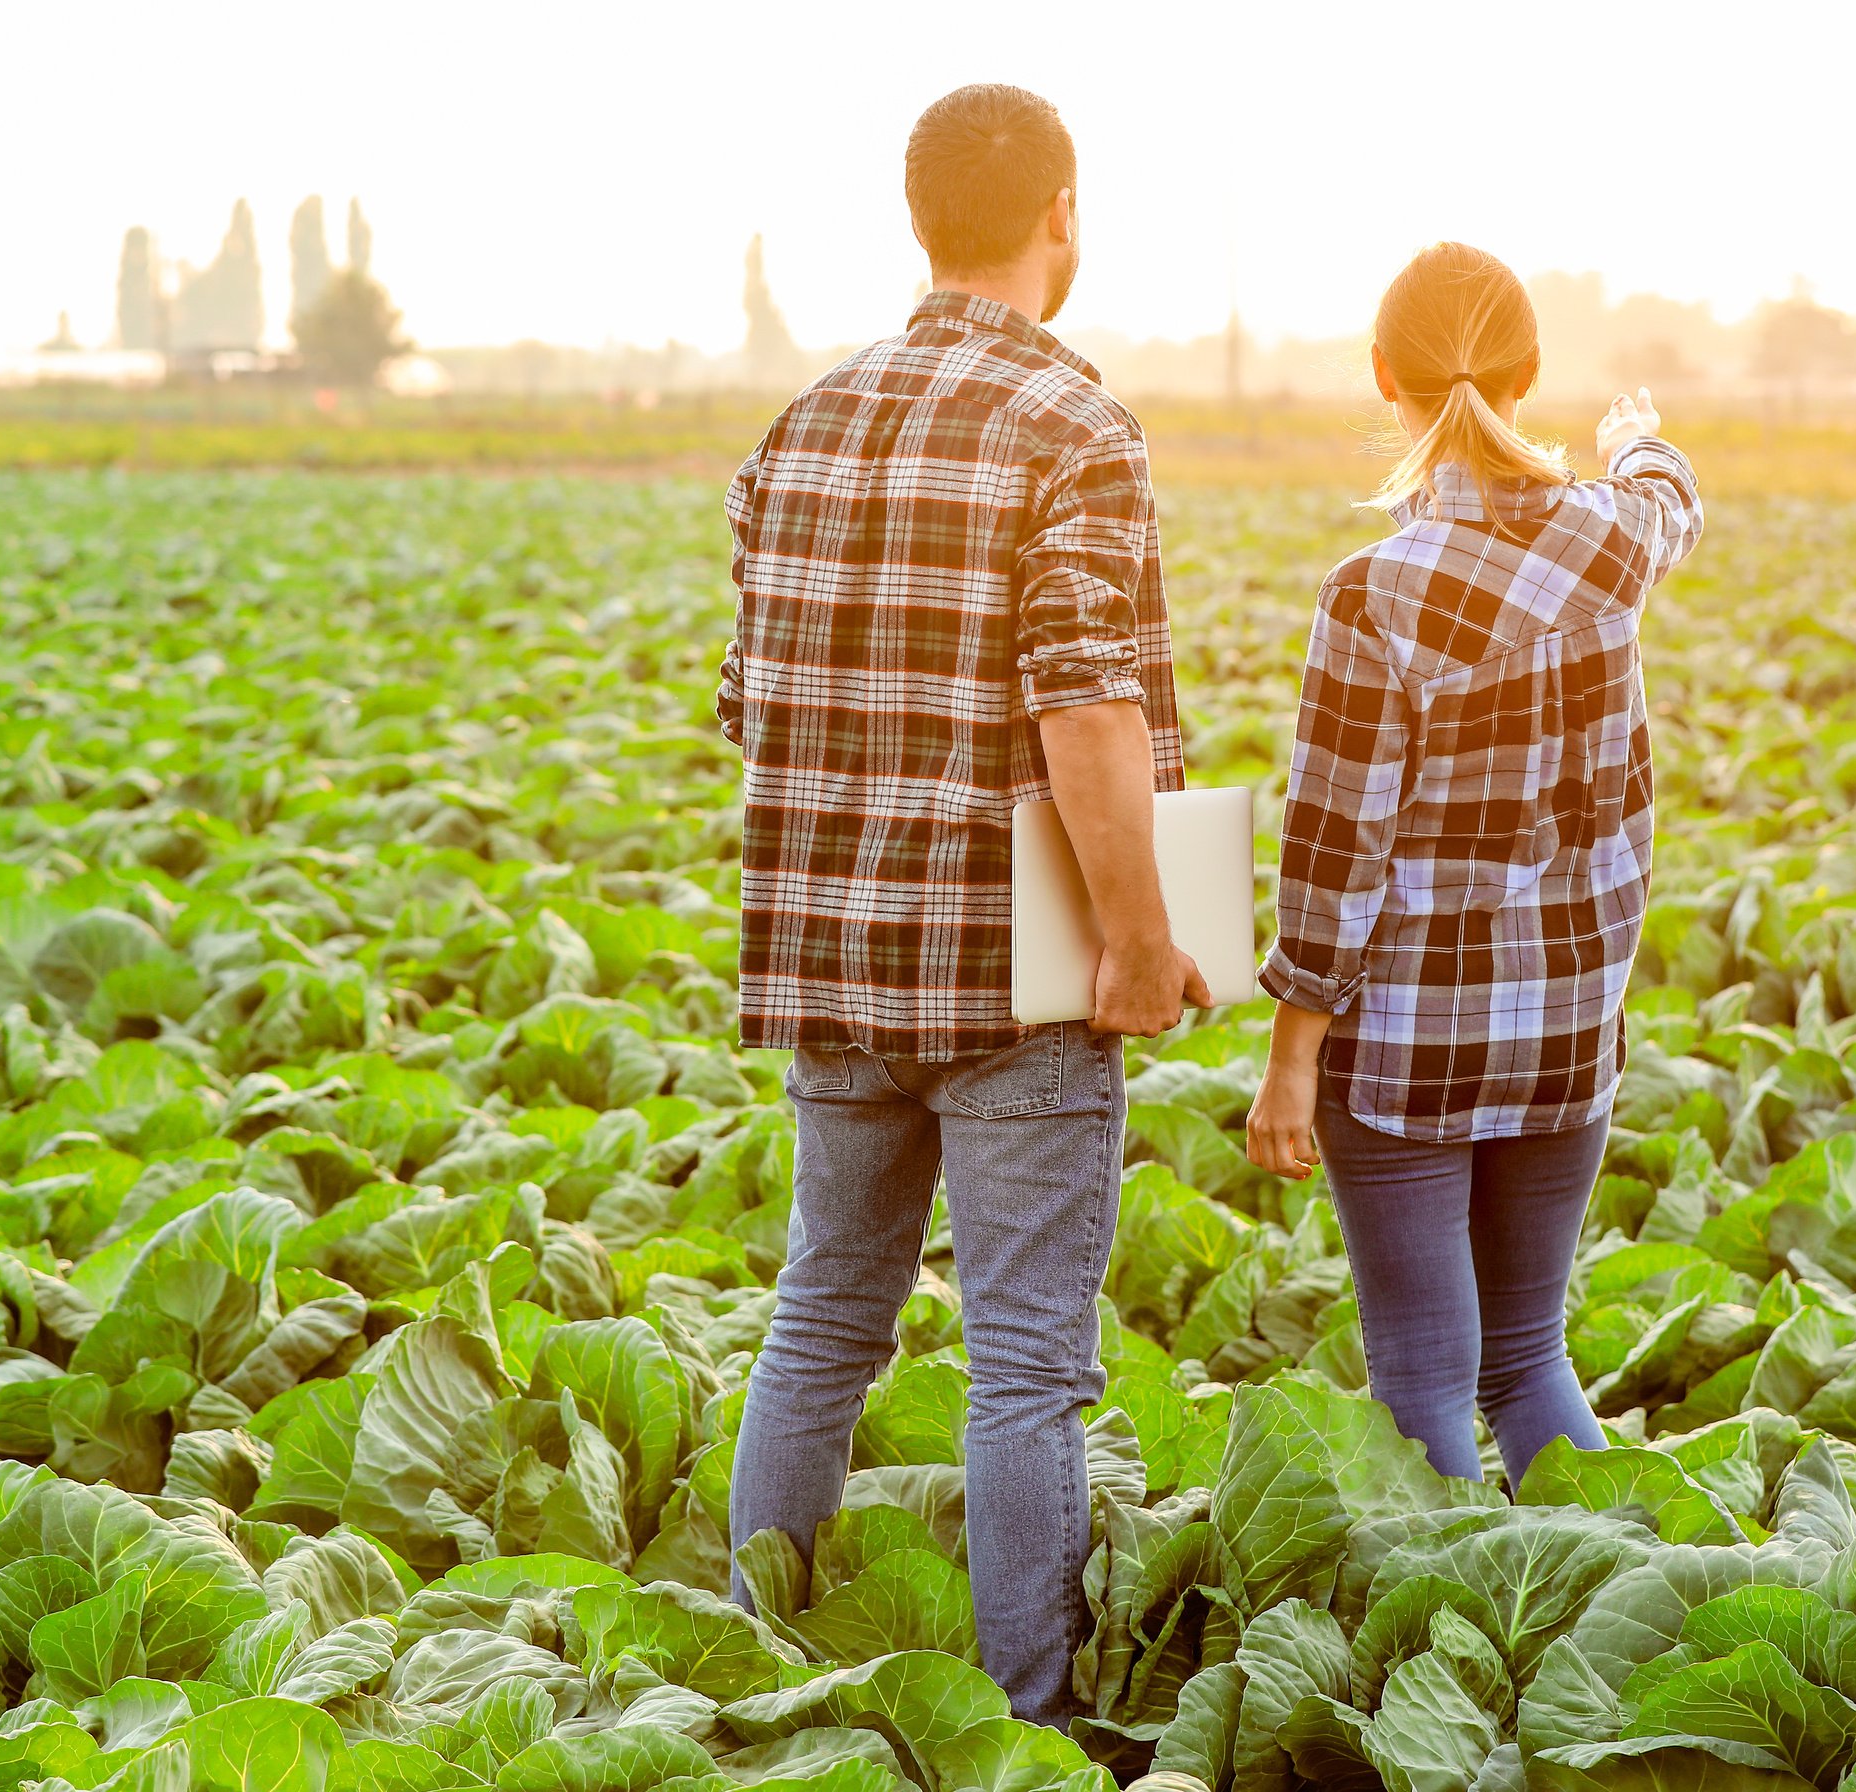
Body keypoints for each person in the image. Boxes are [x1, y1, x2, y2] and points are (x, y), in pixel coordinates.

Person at [716, 83, 1198, 1724]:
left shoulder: (801, 426)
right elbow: (1085, 707)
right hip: (1012, 982)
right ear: (1058, 216)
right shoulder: (1074, 428)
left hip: (830, 963)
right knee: (1026, 1373)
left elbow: (752, 705)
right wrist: (1137, 934)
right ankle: (1029, 1721)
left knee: (818, 1320)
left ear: (919, 222)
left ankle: (748, 1666)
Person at [1244, 242, 1705, 1489]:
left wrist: (1293, 1056)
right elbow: (1673, 502)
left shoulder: (1374, 593)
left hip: (1406, 1049)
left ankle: (1465, 1613)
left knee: (1426, 1385)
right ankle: (1605, 1608)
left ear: (1383, 375)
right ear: (1531, 370)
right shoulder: (1613, 543)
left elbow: (1332, 847)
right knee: (1528, 1362)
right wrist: (1632, 437)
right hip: (1569, 1029)